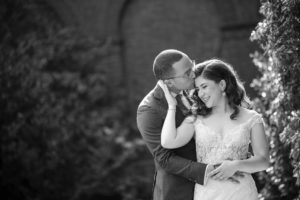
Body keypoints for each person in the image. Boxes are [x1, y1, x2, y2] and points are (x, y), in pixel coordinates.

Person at [158, 58, 270, 200]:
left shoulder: (252, 118)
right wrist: (171, 106)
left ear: (222, 84)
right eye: (197, 89)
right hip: (207, 195)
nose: (200, 94)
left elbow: (263, 161)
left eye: (204, 87)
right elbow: (168, 142)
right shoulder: (196, 119)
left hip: (243, 194)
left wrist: (235, 165)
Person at [137, 50, 240, 200]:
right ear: (169, 82)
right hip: (179, 192)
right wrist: (209, 171)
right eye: (187, 73)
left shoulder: (198, 90)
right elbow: (164, 158)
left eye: (191, 66)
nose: (193, 74)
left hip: (219, 188)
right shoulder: (149, 110)